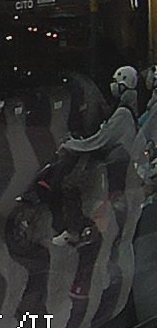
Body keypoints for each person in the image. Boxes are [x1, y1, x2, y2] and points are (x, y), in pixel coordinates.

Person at [50, 65, 141, 247]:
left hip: (115, 164)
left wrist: (71, 145)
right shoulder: (126, 109)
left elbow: (99, 141)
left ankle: (74, 232)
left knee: (70, 185)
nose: (112, 87)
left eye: (116, 83)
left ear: (123, 85)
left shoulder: (123, 113)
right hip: (120, 163)